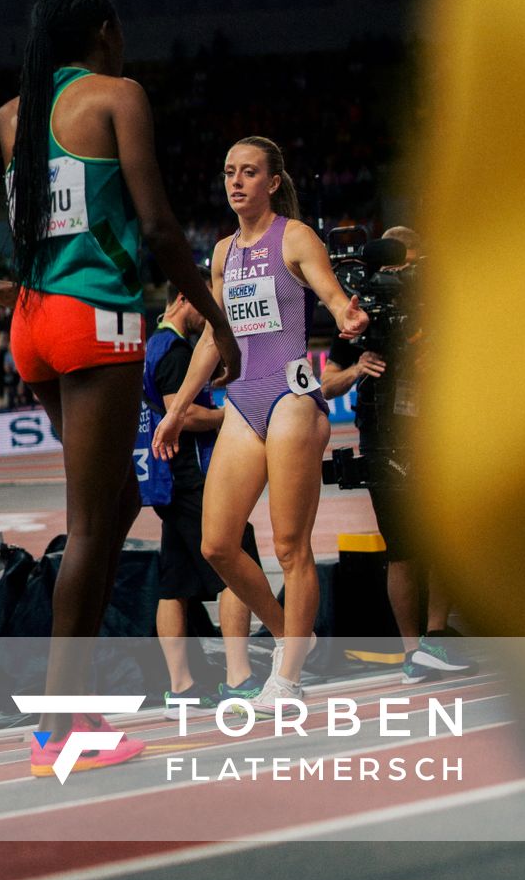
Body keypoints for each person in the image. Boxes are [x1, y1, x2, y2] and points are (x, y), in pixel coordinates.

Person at [0, 0, 241, 774]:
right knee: (91, 526)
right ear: (103, 30)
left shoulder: (11, 114)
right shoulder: (119, 95)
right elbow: (158, 225)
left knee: (117, 504)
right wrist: (217, 320)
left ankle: (75, 700)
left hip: (31, 324)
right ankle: (60, 731)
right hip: (97, 320)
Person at [154, 137, 367, 716]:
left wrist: (346, 312)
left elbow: (330, 293)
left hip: (293, 395)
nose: (236, 182)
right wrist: (176, 411)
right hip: (243, 400)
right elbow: (212, 337)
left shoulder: (294, 236)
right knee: (217, 543)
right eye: (229, 172)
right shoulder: (222, 253)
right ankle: (292, 635)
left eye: (249, 172)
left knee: (290, 546)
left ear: (273, 182)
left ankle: (288, 676)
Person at [321, 226, 470, 683]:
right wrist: (357, 369)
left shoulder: (441, 311)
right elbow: (325, 383)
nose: (397, 278)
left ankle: (436, 637)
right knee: (401, 549)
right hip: (384, 438)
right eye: (389, 268)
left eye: (405, 267)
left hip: (438, 435)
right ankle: (412, 651)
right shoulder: (358, 316)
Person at [140, 288, 262, 708]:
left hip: (166, 482)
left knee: (174, 584)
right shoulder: (174, 351)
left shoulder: (152, 346)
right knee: (235, 558)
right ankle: (239, 676)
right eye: (204, 305)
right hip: (190, 477)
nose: (210, 315)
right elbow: (184, 414)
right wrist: (229, 413)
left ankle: (182, 687)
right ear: (181, 298)